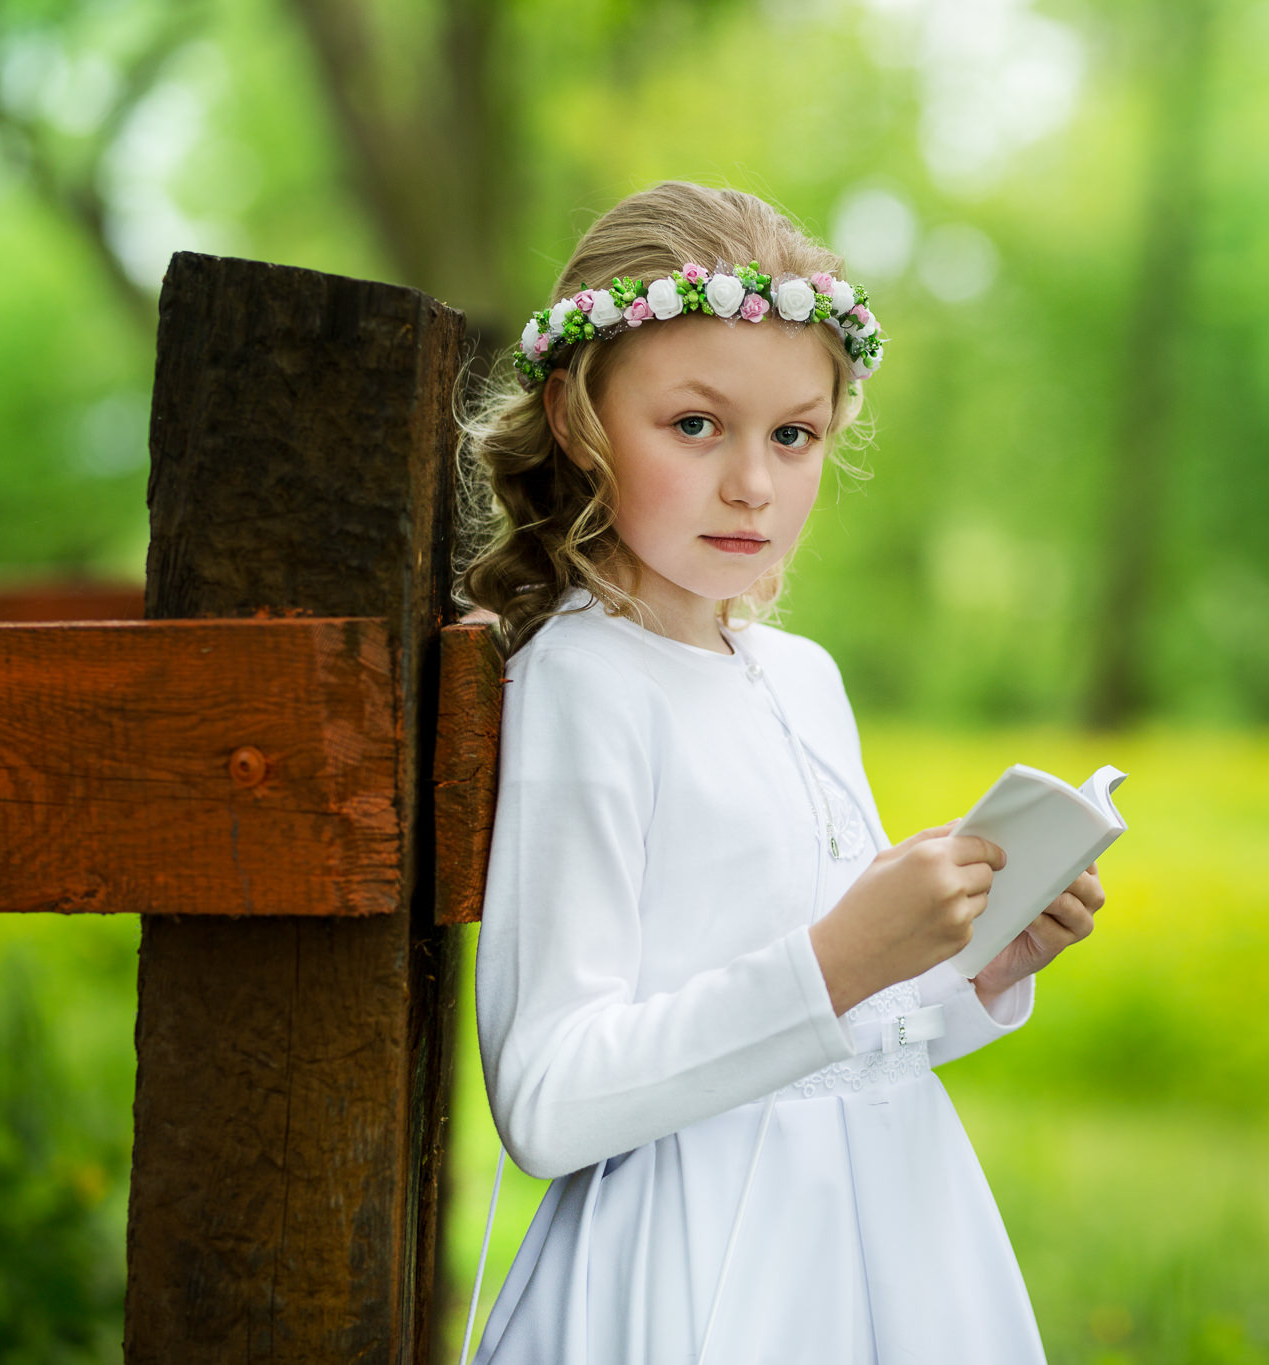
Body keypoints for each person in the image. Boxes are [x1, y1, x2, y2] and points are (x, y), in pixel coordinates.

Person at [453, 179, 1107, 1365]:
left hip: (884, 1225)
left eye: (792, 436)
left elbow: (839, 1034)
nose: (752, 482)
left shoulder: (802, 676)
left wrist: (976, 963)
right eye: (695, 426)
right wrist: (841, 955)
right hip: (702, 1257)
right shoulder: (586, 684)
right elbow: (547, 1099)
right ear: (577, 418)